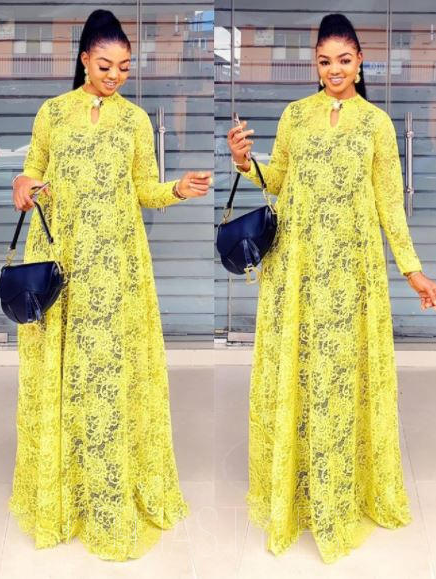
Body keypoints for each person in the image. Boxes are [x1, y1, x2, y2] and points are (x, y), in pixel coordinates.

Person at [227, 12, 436, 564]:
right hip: (295, 267)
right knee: (301, 372)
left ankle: (341, 489)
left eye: (344, 60)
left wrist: (412, 269)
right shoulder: (295, 116)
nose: (334, 70)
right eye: (325, 62)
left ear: (361, 61)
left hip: (351, 272)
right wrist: (246, 163)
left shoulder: (377, 124)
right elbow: (279, 181)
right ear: (315, 65)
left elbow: (390, 202)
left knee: (340, 377)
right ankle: (296, 488)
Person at [9, 9, 211, 561]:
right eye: (105, 65)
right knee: (65, 372)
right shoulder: (53, 113)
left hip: (117, 266)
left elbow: (144, 189)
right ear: (84, 60)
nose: (115, 75)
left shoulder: (136, 121)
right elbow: (31, 171)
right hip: (59, 259)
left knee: (107, 375)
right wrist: (23, 183)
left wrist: (177, 190)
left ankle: (109, 489)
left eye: (124, 66)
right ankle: (65, 493)